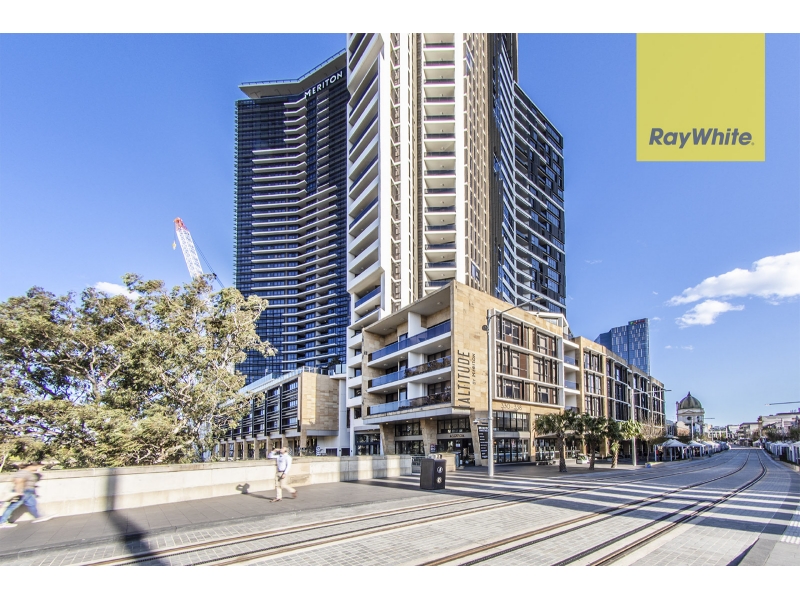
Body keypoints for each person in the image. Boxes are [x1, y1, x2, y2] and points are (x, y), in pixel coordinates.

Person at [0, 463, 55, 528]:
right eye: (37, 467)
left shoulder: (28, 472)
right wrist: (19, 491)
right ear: (31, 466)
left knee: (32, 505)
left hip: (28, 492)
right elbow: (18, 481)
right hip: (23, 492)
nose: (38, 468)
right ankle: (2, 522)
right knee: (12, 506)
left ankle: (39, 516)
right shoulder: (23, 472)